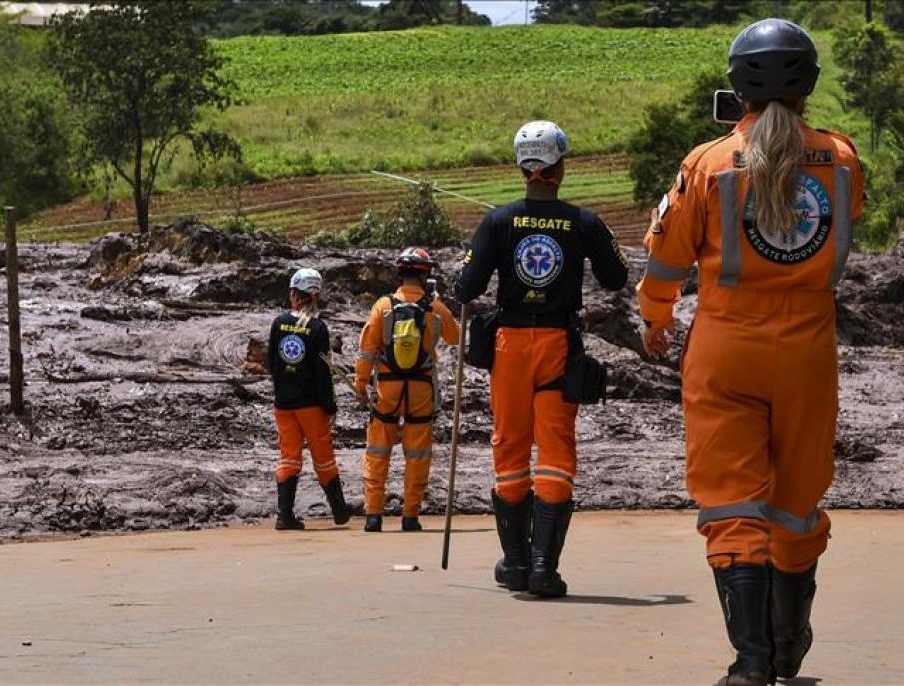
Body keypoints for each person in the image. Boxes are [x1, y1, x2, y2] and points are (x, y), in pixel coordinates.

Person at [637, 19, 864, 686]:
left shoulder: (706, 163)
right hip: (809, 351)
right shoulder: (843, 160)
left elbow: (665, 259)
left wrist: (655, 320)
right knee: (794, 504)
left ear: (738, 87)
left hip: (725, 348)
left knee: (732, 503)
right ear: (809, 84)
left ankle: (752, 660)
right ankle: (791, 643)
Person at [457, 120, 628, 598]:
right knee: (554, 454)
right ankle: (542, 570)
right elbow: (616, 278)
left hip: (509, 345)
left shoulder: (497, 220)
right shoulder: (583, 221)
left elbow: (467, 288)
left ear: (522, 166)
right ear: (561, 166)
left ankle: (514, 564)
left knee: (509, 448)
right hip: (558, 344)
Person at [354, 248, 460, 533]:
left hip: (387, 388)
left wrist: (361, 383)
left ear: (400, 273)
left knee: (377, 451)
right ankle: (410, 517)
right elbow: (455, 337)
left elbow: (366, 350)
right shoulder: (435, 308)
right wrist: (440, 305)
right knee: (418, 455)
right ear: (426, 275)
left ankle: (373, 515)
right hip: (421, 391)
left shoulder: (383, 306)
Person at [268, 268, 353, 530]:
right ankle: (339, 511)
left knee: (289, 457)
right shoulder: (317, 328)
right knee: (323, 458)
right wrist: (330, 406)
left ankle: (284, 515)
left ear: (294, 294)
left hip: (283, 403)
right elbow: (323, 372)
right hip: (311, 405)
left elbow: (272, 362)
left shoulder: (278, 323)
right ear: (316, 296)